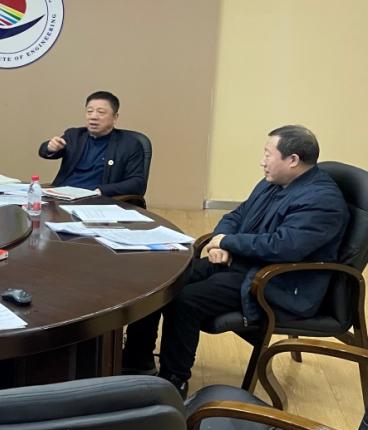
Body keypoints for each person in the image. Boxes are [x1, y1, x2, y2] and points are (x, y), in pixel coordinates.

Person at [121, 125, 349, 398]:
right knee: (162, 279)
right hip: (245, 264)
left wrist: (229, 242)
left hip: (277, 282)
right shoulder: (274, 183)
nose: (262, 161)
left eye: (268, 154)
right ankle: (135, 361)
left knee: (185, 300)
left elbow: (283, 247)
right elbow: (237, 215)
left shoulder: (322, 201)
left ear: (293, 160)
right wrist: (221, 241)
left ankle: (173, 383)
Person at [38, 91, 146, 196]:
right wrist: (50, 147)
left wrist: (103, 191)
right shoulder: (75, 136)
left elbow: (137, 183)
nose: (93, 117)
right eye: (89, 111)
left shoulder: (129, 144)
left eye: (101, 112)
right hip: (62, 195)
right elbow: (44, 152)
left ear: (115, 117)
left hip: (95, 199)